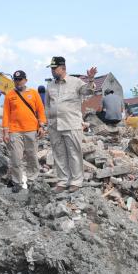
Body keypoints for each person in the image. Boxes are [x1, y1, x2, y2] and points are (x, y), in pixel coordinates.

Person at [45, 56, 96, 193]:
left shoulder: (76, 82)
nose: (52, 71)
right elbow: (48, 105)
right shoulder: (50, 86)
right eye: (51, 69)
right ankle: (62, 181)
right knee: (59, 154)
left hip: (71, 124)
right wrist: (48, 122)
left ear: (63, 68)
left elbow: (89, 91)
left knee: (74, 153)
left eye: (54, 68)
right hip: (55, 125)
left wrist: (91, 79)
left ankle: (76, 181)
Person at [2, 70, 46, 191]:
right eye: (16, 80)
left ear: (25, 80)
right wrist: (5, 132)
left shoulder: (33, 93)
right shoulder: (9, 95)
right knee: (16, 158)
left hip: (31, 130)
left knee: (32, 157)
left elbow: (41, 110)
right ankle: (17, 182)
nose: (18, 82)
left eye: (20, 79)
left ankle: (32, 180)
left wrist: (41, 126)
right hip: (14, 131)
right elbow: (6, 114)